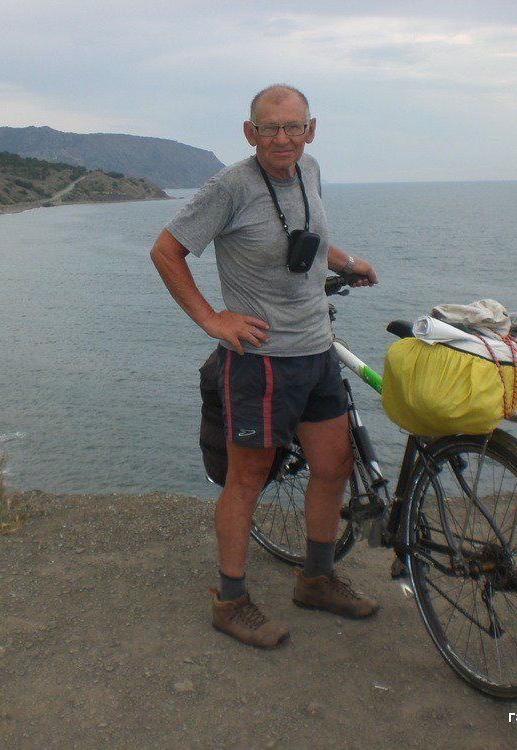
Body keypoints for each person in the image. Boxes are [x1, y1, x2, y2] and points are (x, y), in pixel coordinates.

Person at [150, 84, 379, 648]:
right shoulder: (229, 186)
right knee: (247, 478)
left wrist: (346, 260)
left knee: (332, 465)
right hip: (259, 363)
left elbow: (306, 240)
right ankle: (229, 601)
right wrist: (212, 320)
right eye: (270, 128)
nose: (283, 138)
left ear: (311, 129)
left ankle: (316, 579)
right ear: (249, 132)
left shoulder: (311, 170)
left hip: (316, 351)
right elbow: (165, 250)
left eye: (293, 127)